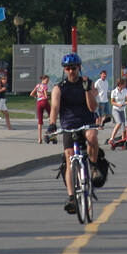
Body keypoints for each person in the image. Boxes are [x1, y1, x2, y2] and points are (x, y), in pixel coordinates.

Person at [49, 53, 100, 214]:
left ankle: (93, 167)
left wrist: (86, 91)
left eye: (74, 68)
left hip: (86, 121)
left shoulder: (87, 83)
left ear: (79, 68)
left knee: (92, 136)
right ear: (64, 70)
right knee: (70, 156)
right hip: (68, 125)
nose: (71, 71)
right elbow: (55, 107)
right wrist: (51, 124)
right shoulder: (59, 87)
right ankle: (71, 197)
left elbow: (93, 108)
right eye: (68, 68)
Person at [109, 76, 127, 147]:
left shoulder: (125, 90)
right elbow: (112, 102)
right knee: (119, 122)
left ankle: (123, 141)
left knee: (124, 125)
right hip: (116, 110)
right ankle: (112, 138)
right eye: (124, 84)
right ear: (120, 84)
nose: (125, 85)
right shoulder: (114, 92)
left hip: (123, 110)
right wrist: (118, 104)